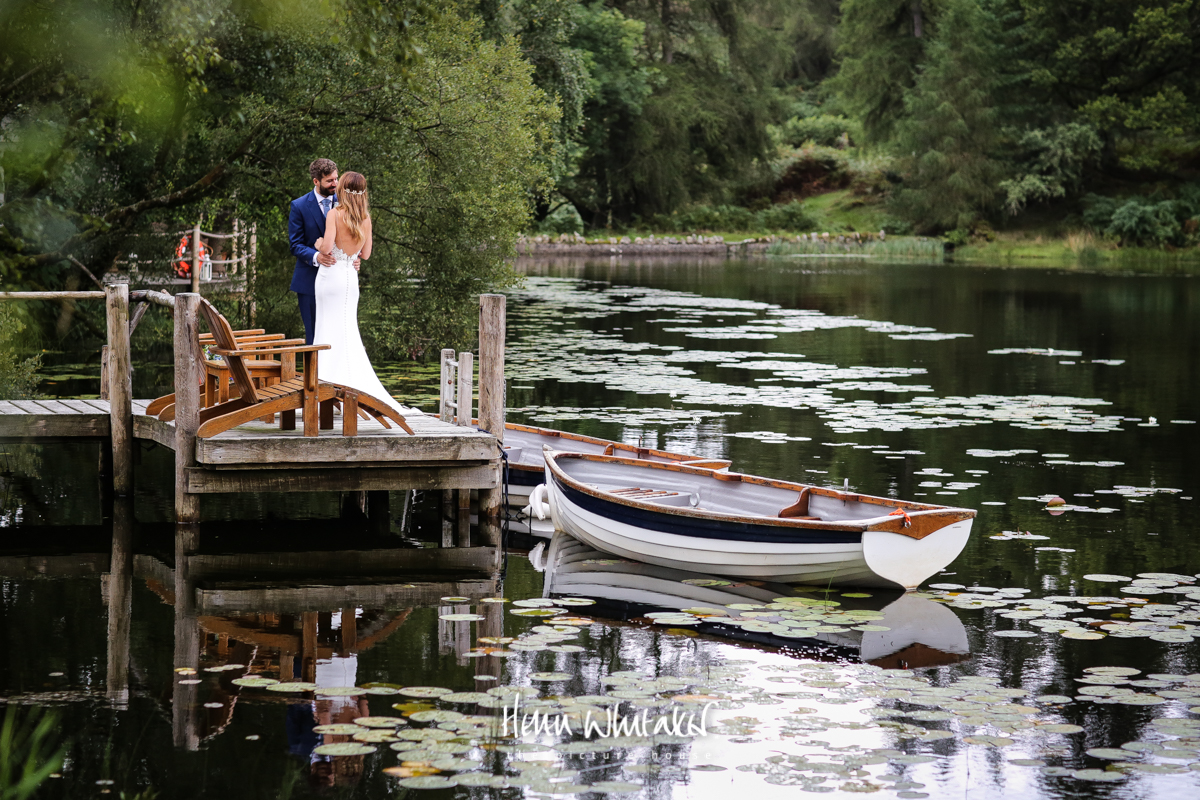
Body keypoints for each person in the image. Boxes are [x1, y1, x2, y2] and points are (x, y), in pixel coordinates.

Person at [310, 171, 409, 414]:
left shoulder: (334, 214)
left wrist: (317, 242)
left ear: (343, 189)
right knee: (347, 330)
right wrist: (352, 257)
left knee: (325, 330)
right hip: (349, 280)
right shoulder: (365, 219)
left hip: (330, 278)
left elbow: (326, 246)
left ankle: (326, 391)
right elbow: (365, 254)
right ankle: (346, 389)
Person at [288, 159, 357, 345]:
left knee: (340, 332)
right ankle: (314, 374)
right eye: (329, 181)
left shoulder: (347, 204)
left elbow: (355, 236)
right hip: (308, 281)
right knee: (313, 335)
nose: (335, 184)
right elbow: (295, 244)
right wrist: (316, 256)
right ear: (316, 181)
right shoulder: (299, 206)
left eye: (336, 179)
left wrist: (354, 258)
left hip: (339, 280)